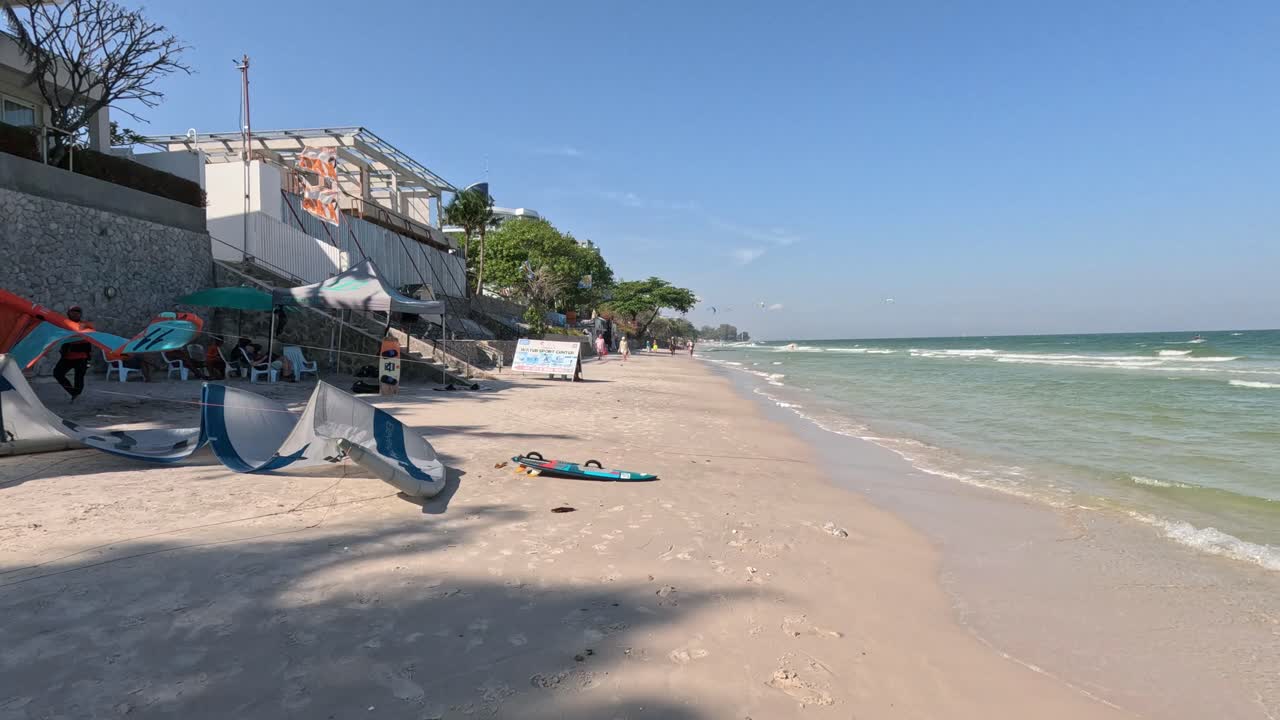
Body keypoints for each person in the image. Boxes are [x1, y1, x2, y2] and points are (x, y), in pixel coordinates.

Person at [53, 305, 92, 400]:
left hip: (82, 358)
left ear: (80, 314)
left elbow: (90, 337)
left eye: (77, 312)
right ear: (68, 313)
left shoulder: (85, 325)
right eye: (73, 311)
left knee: (79, 379)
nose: (75, 313)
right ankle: (73, 392)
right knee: (57, 373)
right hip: (67, 357)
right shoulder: (64, 325)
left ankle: (76, 394)